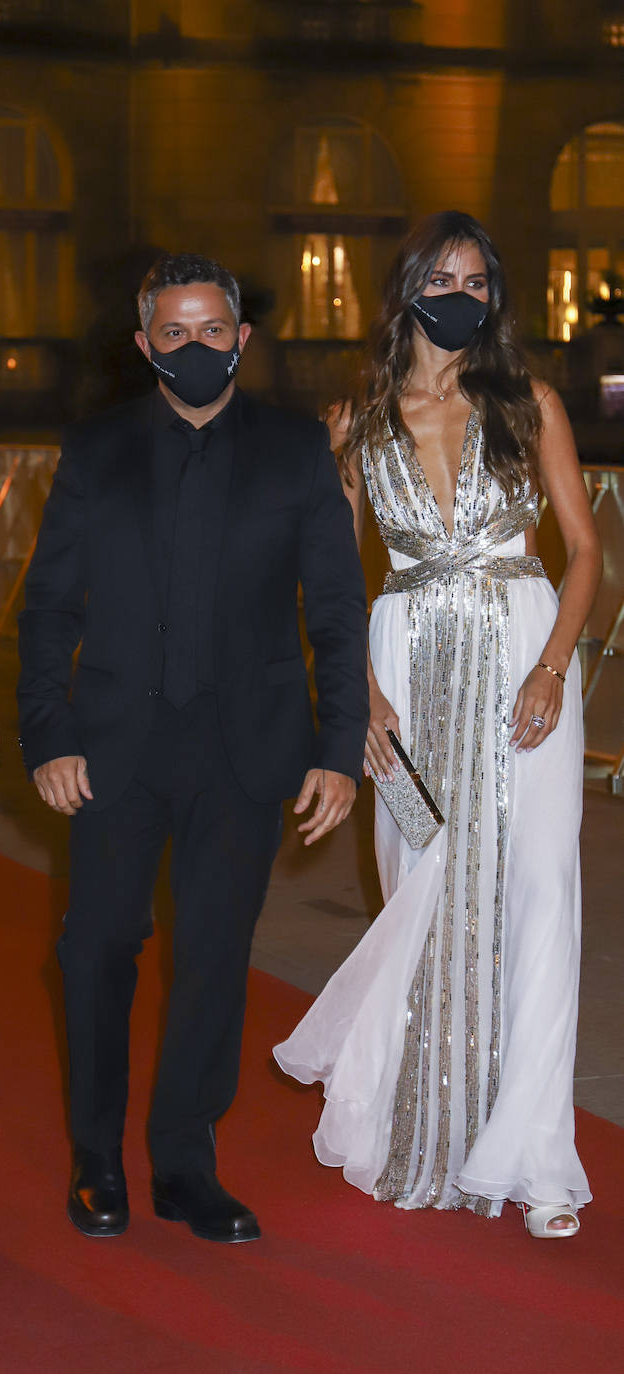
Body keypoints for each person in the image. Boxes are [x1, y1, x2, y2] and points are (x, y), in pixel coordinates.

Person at [17, 252, 368, 1243]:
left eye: (213, 330)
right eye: (173, 333)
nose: (195, 348)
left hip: (246, 748)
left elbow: (336, 609)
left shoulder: (298, 449)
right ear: (144, 345)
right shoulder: (95, 450)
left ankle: (182, 1164)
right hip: (113, 747)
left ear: (241, 338)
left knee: (214, 958)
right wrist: (46, 730)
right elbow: (47, 602)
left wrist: (337, 747)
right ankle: (96, 1158)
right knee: (95, 953)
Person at [274, 211, 602, 1239]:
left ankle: (536, 1155)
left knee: (538, 891)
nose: (459, 295)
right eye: (441, 277)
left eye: (477, 279)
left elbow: (586, 552)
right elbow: (325, 578)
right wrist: (360, 694)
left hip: (522, 655)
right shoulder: (359, 421)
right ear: (407, 287)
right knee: (421, 890)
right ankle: (423, 1125)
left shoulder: (531, 402)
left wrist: (554, 668)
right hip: (405, 670)